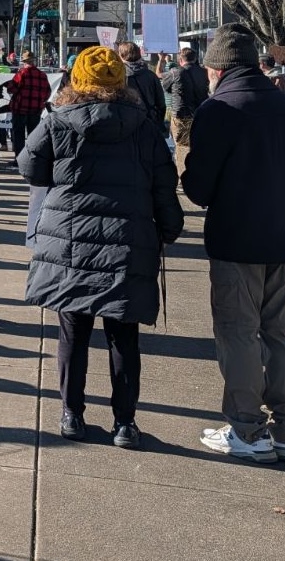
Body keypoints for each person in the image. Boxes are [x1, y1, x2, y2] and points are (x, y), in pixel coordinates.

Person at [21, 47, 182, 449]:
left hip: (69, 242)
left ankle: (72, 414)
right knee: (123, 335)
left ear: (76, 81)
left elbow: (28, 167)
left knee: (72, 331)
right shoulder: (144, 128)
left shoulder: (58, 122)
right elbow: (165, 184)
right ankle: (125, 424)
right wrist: (169, 227)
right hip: (126, 243)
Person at [182, 23, 285, 464]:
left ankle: (246, 428)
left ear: (216, 69)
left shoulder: (218, 110)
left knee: (238, 333)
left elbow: (199, 188)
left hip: (237, 239)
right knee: (281, 331)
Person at [160, 46, 209, 170]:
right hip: (200, 114)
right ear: (195, 58)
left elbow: (161, 79)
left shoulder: (176, 72)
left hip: (181, 115)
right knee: (198, 146)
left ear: (180, 60)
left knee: (182, 148)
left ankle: (183, 178)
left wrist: (161, 60)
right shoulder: (204, 72)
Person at [7, 51, 51, 157]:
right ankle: (32, 159)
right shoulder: (42, 75)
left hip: (20, 109)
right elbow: (47, 93)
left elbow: (11, 89)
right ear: (34, 61)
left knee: (19, 136)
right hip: (35, 110)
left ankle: (19, 159)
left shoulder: (22, 73)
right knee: (33, 136)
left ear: (24, 62)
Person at [117, 41, 166, 135]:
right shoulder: (151, 75)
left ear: (121, 55)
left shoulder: (119, 76)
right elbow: (161, 103)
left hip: (127, 123)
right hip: (149, 121)